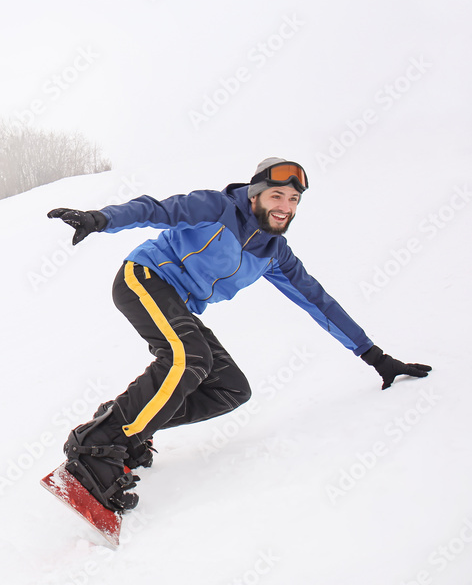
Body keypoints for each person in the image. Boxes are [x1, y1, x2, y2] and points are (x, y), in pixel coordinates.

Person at [46, 158, 432, 512]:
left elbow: (319, 302)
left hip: (178, 304)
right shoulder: (216, 208)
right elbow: (155, 209)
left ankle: (126, 426)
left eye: (294, 199)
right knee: (188, 358)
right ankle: (96, 447)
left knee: (229, 388)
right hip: (144, 278)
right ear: (255, 194)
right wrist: (100, 218)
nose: (285, 205)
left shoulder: (274, 253)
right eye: (277, 194)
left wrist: (375, 357)